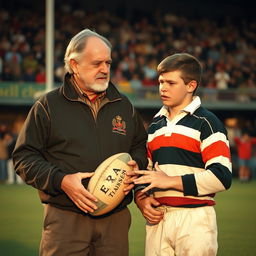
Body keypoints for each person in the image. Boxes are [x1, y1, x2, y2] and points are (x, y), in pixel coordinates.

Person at [12, 29, 148, 256]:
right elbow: (24, 157)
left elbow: (139, 146)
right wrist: (61, 180)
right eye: (96, 64)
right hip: (66, 218)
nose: (105, 70)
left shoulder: (124, 105)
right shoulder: (48, 105)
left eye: (108, 63)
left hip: (115, 219)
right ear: (74, 65)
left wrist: (136, 164)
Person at [133, 53, 232, 256]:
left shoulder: (207, 122)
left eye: (170, 82)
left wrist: (170, 181)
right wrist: (141, 198)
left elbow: (222, 177)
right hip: (158, 220)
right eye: (160, 82)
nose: (163, 87)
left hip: (194, 220)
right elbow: (148, 172)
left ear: (190, 85)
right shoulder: (155, 124)